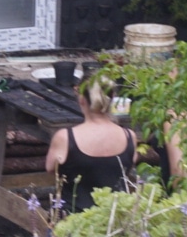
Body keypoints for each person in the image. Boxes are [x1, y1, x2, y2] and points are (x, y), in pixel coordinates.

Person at [44, 72, 142, 213]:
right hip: (115, 217)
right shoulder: (129, 136)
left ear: (81, 99)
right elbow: (127, 168)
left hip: (72, 219)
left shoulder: (65, 138)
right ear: (112, 98)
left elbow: (51, 169)